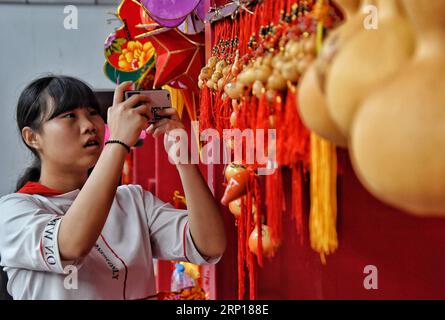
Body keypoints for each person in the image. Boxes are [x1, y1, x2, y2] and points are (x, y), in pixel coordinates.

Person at [0, 75, 226, 300]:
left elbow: (209, 244)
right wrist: (117, 142)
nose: (89, 126)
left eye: (92, 113)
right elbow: (71, 245)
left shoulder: (132, 200)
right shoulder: (13, 211)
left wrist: (184, 163)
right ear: (32, 138)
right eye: (69, 116)